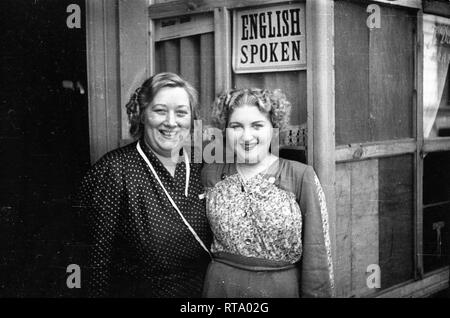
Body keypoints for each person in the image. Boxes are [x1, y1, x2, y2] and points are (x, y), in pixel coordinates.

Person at [79, 72, 212, 297]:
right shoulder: (114, 169)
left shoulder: (201, 164)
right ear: (142, 115)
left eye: (181, 113)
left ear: (192, 119)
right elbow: (95, 261)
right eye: (160, 110)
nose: (171, 122)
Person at [201, 88, 335, 298]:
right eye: (236, 126)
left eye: (257, 125)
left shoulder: (300, 176)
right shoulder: (211, 173)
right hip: (222, 289)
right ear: (225, 130)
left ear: (273, 128)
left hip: (279, 289)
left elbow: (317, 253)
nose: (247, 136)